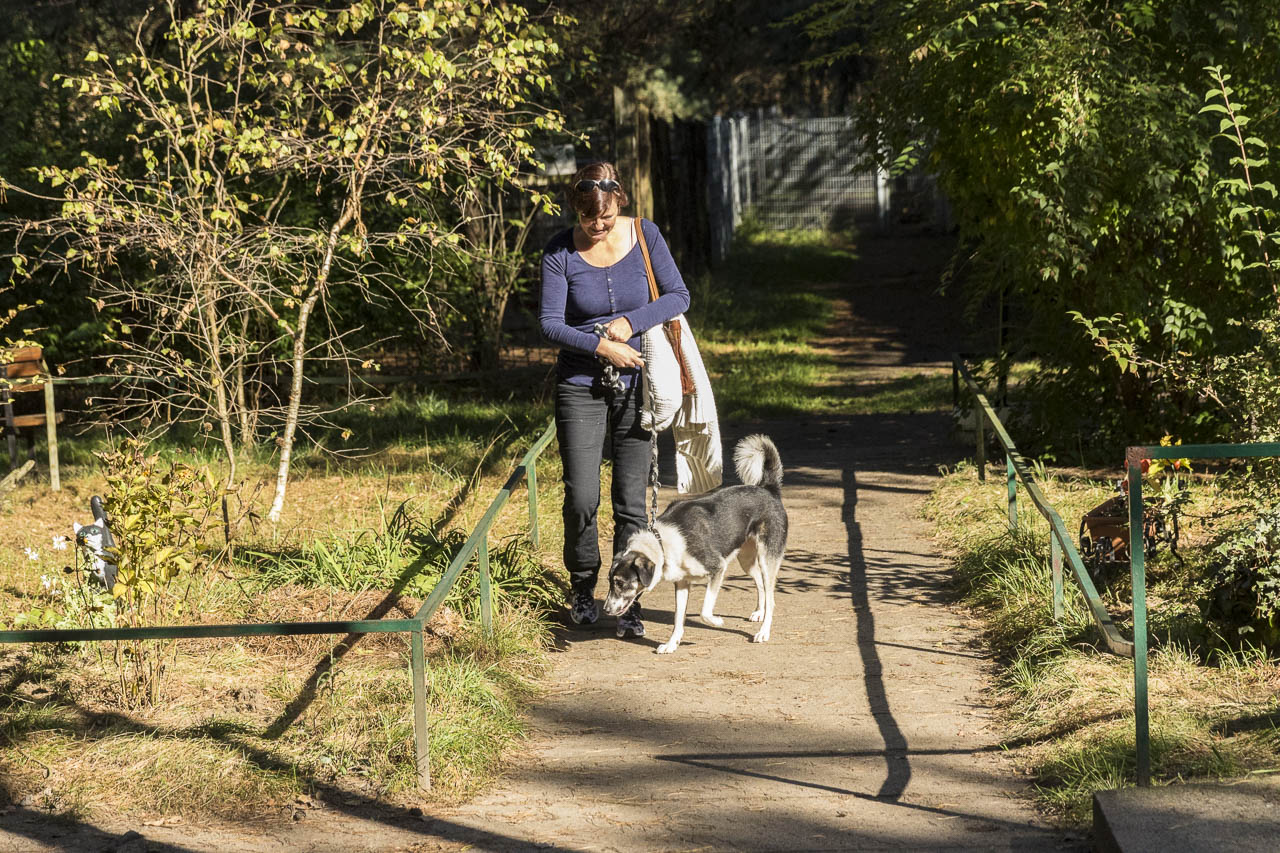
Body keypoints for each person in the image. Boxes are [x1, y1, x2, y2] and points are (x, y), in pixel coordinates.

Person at [539, 162, 691, 638]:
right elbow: (549, 323)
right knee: (581, 496)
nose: (597, 227)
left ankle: (629, 599)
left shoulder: (645, 235)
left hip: (637, 384)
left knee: (630, 502)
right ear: (576, 210)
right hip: (580, 385)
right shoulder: (559, 252)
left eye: (605, 218)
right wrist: (600, 346)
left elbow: (678, 295)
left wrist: (631, 322)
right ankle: (583, 586)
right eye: (588, 219)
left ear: (619, 202)